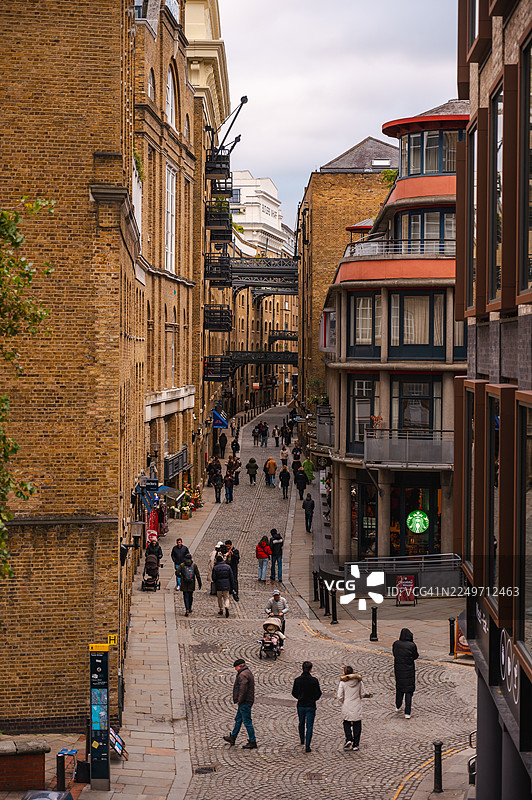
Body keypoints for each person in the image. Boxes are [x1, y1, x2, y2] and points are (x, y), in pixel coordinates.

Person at [223, 659, 257, 749]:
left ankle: (253, 741)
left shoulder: (243, 675)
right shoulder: (247, 672)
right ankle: (233, 737)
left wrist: (239, 700)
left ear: (240, 666)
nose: (235, 669)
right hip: (246, 701)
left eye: (236, 667)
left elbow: (243, 689)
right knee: (238, 719)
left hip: (244, 702)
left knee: (247, 722)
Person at [292, 661, 322, 753]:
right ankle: (308, 745)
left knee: (301, 722)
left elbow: (294, 693)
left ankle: (302, 739)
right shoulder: (314, 681)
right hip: (310, 705)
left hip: (301, 705)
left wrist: (299, 697)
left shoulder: (297, 680)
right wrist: (313, 699)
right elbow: (318, 693)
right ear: (310, 669)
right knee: (309, 725)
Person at [392, 628, 419, 719]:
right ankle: (407, 712)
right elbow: (415, 656)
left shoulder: (396, 644)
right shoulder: (411, 645)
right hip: (409, 670)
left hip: (398, 669)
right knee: (408, 691)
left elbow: (394, 654)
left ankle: (398, 705)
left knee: (399, 688)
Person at [337, 666, 365, 750]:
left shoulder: (343, 683)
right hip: (356, 704)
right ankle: (355, 744)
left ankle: (348, 738)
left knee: (346, 722)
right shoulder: (359, 682)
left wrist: (343, 701)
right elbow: (363, 693)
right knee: (357, 724)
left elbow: (339, 696)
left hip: (347, 704)